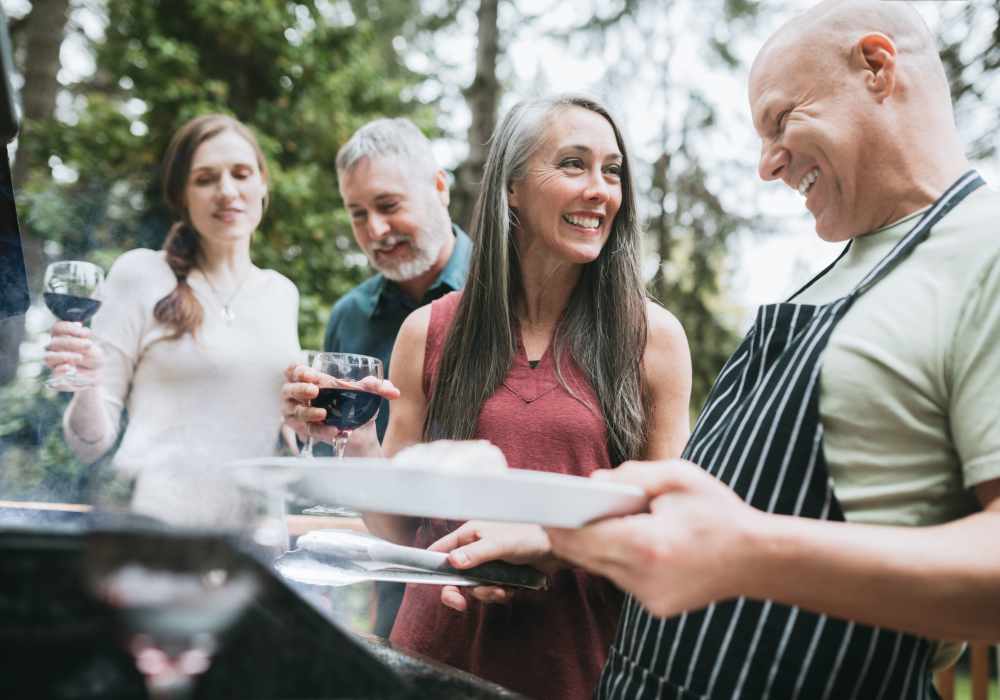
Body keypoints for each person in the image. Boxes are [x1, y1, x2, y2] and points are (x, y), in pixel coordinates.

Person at [510, 2, 1000, 698]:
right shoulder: (842, 270)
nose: (767, 165)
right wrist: (557, 534)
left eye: (781, 120)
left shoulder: (984, 253)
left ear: (877, 67)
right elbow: (727, 510)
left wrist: (750, 553)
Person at [284, 93, 693, 699]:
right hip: (435, 660)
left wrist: (550, 545)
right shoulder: (427, 331)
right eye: (574, 164)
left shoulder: (653, 338)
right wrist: (354, 434)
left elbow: (671, 528)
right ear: (511, 189)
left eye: (612, 171)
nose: (600, 190)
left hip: (580, 667)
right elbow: (397, 528)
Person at [45, 114, 299, 516]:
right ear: (183, 196)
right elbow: (88, 444)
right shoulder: (140, 273)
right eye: (205, 179)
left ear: (262, 184)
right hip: (153, 531)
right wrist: (87, 383)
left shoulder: (283, 293)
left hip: (255, 539)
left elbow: (281, 431)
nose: (227, 190)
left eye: (241, 173)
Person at [320, 118, 472, 637]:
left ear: (438, 187)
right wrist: (315, 428)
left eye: (388, 206)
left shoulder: (508, 293)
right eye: (358, 215)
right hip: (393, 596)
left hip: (497, 588)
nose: (375, 232)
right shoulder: (350, 316)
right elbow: (341, 461)